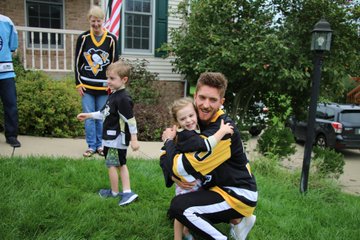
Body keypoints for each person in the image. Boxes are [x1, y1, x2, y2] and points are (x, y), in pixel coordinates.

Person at [161, 72, 258, 240]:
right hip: (216, 185)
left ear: (222, 102)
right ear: (195, 96)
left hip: (237, 193)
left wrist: (169, 144)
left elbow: (181, 168)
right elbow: (166, 154)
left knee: (180, 207)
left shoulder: (223, 131)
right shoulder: (192, 117)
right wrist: (172, 174)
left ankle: (233, 223)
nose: (205, 105)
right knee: (174, 214)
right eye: (202, 98)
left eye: (213, 100)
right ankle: (237, 220)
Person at [162, 97, 234, 240]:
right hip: (187, 183)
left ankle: (187, 232)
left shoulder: (191, 132)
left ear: (196, 114)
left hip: (195, 180)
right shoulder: (187, 136)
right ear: (177, 122)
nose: (188, 121)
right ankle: (178, 237)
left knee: (190, 209)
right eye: (183, 119)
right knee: (181, 211)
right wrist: (222, 131)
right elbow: (206, 145)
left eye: (191, 116)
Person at [77, 60, 139, 206]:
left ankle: (125, 192)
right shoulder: (114, 95)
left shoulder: (123, 98)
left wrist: (134, 139)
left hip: (116, 139)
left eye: (112, 78)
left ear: (124, 80)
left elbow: (130, 120)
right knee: (116, 164)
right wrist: (89, 115)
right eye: (108, 78)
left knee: (116, 165)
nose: (108, 81)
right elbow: (104, 113)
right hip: (110, 138)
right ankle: (116, 192)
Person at [75, 6, 119, 157]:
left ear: (103, 21)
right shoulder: (83, 38)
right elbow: (76, 62)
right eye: (93, 21)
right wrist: (78, 83)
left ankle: (101, 145)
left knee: (102, 117)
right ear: (89, 20)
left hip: (104, 87)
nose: (96, 25)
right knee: (88, 118)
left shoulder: (111, 39)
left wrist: (113, 85)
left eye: (98, 21)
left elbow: (114, 63)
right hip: (86, 86)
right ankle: (91, 146)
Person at [0, 14, 21, 148]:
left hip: (5, 72)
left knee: (11, 104)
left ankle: (11, 135)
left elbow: (12, 45)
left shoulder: (7, 22)